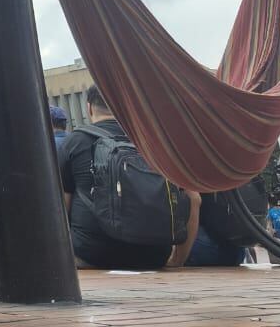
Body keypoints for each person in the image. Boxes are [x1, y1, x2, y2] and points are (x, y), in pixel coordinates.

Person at [58, 84, 199, 269]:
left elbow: (61, 207)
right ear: (126, 105)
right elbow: (194, 198)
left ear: (89, 107)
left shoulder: (74, 142)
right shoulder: (156, 141)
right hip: (153, 256)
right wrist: (177, 260)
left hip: (91, 255)